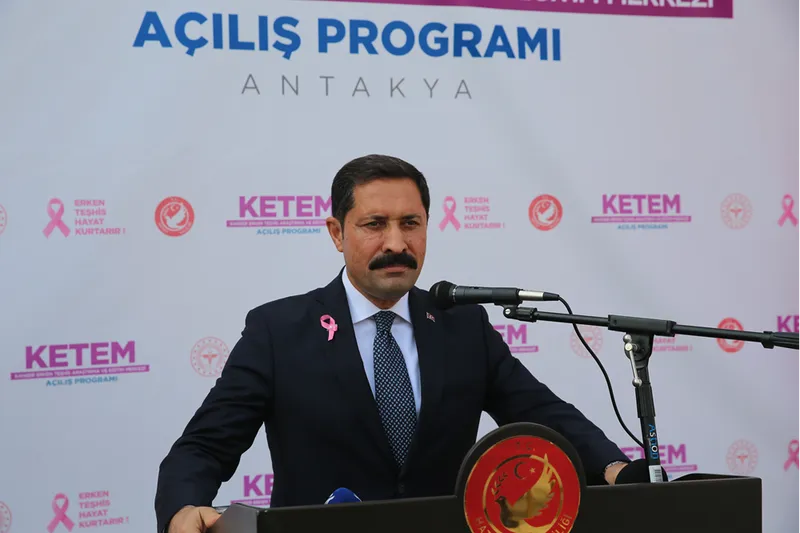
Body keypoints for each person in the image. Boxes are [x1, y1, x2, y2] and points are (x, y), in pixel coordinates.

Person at [155, 154, 631, 533]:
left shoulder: (463, 325)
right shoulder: (278, 331)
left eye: (410, 223)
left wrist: (615, 468)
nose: (396, 243)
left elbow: (543, 413)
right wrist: (183, 508)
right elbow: (204, 446)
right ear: (337, 233)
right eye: (375, 224)